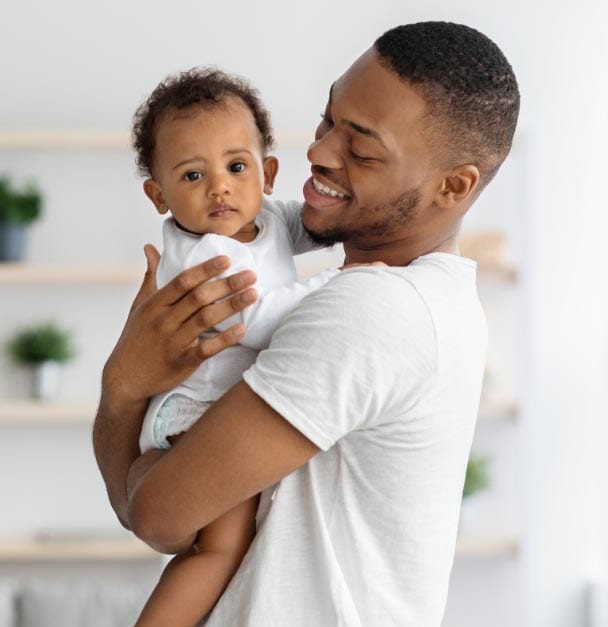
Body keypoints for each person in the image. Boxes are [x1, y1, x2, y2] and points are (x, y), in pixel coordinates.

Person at [93, 21, 520, 626]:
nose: (318, 152)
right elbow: (154, 515)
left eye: (362, 148)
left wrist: (124, 386)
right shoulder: (436, 301)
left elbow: (157, 516)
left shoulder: (375, 309)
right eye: (328, 121)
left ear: (453, 186)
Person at [126, 69, 344, 625]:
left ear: (267, 173)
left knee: (228, 546)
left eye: (236, 166)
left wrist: (346, 220)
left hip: (210, 407)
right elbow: (263, 322)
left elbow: (313, 227)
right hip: (195, 412)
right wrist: (348, 279)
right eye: (193, 174)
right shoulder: (209, 255)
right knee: (219, 549)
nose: (219, 186)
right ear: (159, 196)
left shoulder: (261, 218)